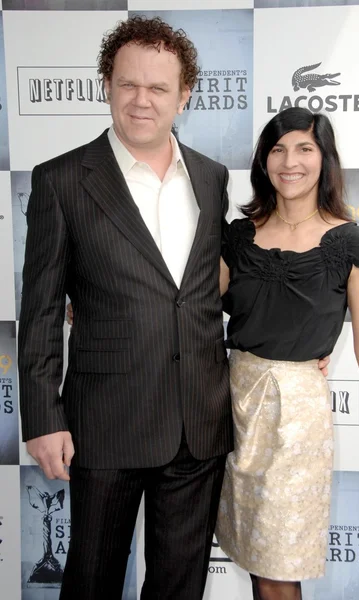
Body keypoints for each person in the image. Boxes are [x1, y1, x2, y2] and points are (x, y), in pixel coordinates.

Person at [18, 15, 234, 600]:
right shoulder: (61, 180)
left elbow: (215, 286)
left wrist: (298, 346)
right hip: (105, 421)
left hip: (199, 417)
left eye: (159, 87)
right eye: (128, 84)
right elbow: (38, 309)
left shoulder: (213, 180)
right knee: (91, 581)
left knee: (179, 586)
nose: (142, 100)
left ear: (184, 95)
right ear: (106, 84)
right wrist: (41, 417)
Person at [215, 107, 359, 600]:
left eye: (304, 148)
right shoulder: (238, 235)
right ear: (263, 160)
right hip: (231, 408)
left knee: (278, 565)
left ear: (324, 160)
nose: (289, 162)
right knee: (255, 554)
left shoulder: (351, 245)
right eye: (277, 149)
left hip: (297, 421)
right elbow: (192, 307)